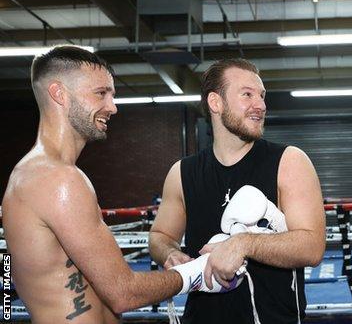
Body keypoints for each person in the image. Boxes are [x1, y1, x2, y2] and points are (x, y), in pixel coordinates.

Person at [1, 46, 213, 323]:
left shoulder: (39, 173)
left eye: (112, 95)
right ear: (59, 93)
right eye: (101, 93)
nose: (112, 107)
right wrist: (199, 273)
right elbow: (123, 293)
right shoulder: (57, 179)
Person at [149, 58, 326, 323]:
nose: (261, 105)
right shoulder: (182, 173)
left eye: (262, 96)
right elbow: (160, 235)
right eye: (247, 95)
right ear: (215, 103)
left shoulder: (289, 162)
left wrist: (243, 244)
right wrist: (170, 253)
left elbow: (312, 247)